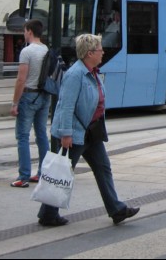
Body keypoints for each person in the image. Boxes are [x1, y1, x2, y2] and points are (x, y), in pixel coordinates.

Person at [37, 34, 139, 227]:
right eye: (100, 49)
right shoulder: (75, 74)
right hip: (75, 133)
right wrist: (66, 134)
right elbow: (65, 106)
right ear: (90, 53)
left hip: (92, 131)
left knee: (103, 168)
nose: (103, 52)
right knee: (62, 172)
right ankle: (48, 214)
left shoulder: (92, 72)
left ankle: (116, 210)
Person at [9, 19, 51, 188]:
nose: (24, 34)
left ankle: (23, 176)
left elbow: (21, 79)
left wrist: (14, 103)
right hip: (44, 96)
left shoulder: (27, 51)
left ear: (29, 31)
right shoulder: (46, 49)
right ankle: (42, 173)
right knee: (41, 135)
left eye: (24, 31)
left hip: (29, 96)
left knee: (22, 137)